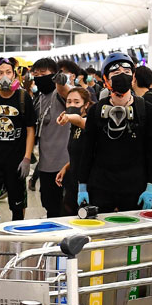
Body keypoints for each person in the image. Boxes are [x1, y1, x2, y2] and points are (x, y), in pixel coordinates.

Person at [77, 52, 152, 212]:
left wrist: (151, 186)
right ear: (106, 79)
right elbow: (86, 150)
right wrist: (82, 186)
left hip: (136, 189)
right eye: (115, 73)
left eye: (127, 72)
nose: (122, 76)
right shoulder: (96, 110)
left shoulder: (146, 110)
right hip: (101, 187)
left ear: (134, 77)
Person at [0, 56, 36, 221]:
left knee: (17, 205)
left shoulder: (24, 98)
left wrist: (27, 158)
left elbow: (30, 130)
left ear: (14, 75)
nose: (4, 76)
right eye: (0, 73)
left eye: (8, 72)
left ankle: (16, 240)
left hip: (16, 162)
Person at [32, 58, 73, 217]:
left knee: (65, 210)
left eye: (43, 73)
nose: (38, 77)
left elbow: (67, 93)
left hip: (64, 164)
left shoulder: (59, 94)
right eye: (35, 74)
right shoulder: (39, 99)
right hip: (45, 164)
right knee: (49, 206)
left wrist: (61, 82)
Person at [56, 87, 91, 215]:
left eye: (77, 102)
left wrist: (69, 117)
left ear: (86, 105)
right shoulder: (73, 126)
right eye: (69, 101)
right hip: (72, 181)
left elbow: (81, 120)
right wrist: (66, 167)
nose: (72, 105)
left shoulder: (89, 122)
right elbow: (78, 153)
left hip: (86, 184)